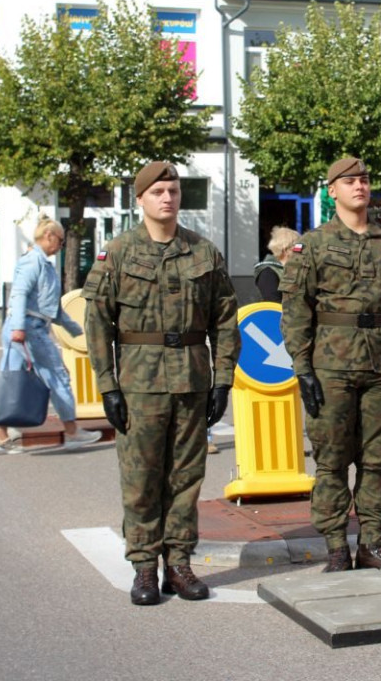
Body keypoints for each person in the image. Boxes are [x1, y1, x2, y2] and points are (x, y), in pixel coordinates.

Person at [83, 161, 240, 606]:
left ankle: (179, 564)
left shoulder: (203, 252)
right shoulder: (118, 253)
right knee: (141, 478)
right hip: (140, 384)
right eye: (157, 192)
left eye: (172, 190)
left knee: (186, 477)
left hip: (191, 381)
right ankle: (143, 567)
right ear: (140, 200)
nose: (167, 198)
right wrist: (108, 386)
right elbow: (97, 324)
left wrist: (222, 380)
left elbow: (225, 320)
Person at [280, 156, 381, 573]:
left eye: (364, 180)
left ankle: (371, 543)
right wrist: (302, 367)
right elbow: (296, 310)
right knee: (332, 460)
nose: (359, 186)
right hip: (330, 367)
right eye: (349, 181)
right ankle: (335, 546)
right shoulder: (312, 245)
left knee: (375, 459)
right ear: (332, 191)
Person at [0, 216, 101, 455]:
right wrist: (19, 328)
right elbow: (19, 294)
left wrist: (77, 331)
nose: (61, 246)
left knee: (10, 380)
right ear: (48, 236)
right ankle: (72, 432)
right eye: (60, 240)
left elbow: (52, 308)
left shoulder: (39, 263)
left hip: (22, 327)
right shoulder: (34, 262)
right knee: (58, 376)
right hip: (29, 329)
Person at [253, 226, 300, 303]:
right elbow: (273, 304)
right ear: (286, 250)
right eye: (298, 248)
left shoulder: (288, 269)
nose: (302, 251)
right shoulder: (268, 272)